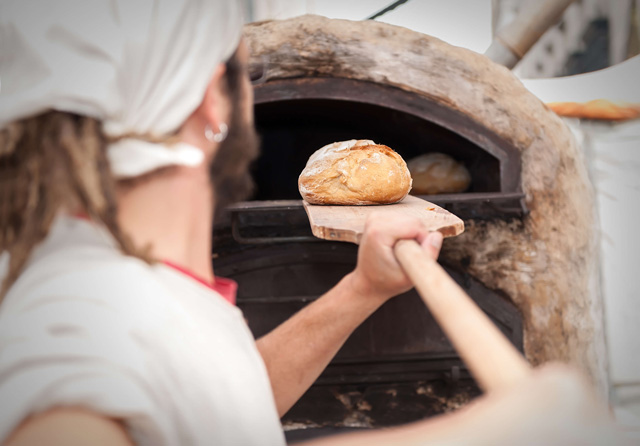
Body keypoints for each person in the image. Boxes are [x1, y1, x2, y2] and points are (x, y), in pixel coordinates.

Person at [0, 1, 627, 445]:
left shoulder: (127, 283)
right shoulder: (76, 321)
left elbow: (222, 411)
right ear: (206, 101)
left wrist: (363, 290)